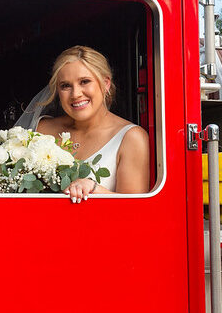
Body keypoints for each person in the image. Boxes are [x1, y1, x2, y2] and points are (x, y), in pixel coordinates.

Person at [36, 45, 149, 201]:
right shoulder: (42, 130)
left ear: (106, 84)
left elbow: (137, 213)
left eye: (84, 81)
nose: (75, 94)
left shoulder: (131, 138)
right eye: (66, 86)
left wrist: (95, 189)